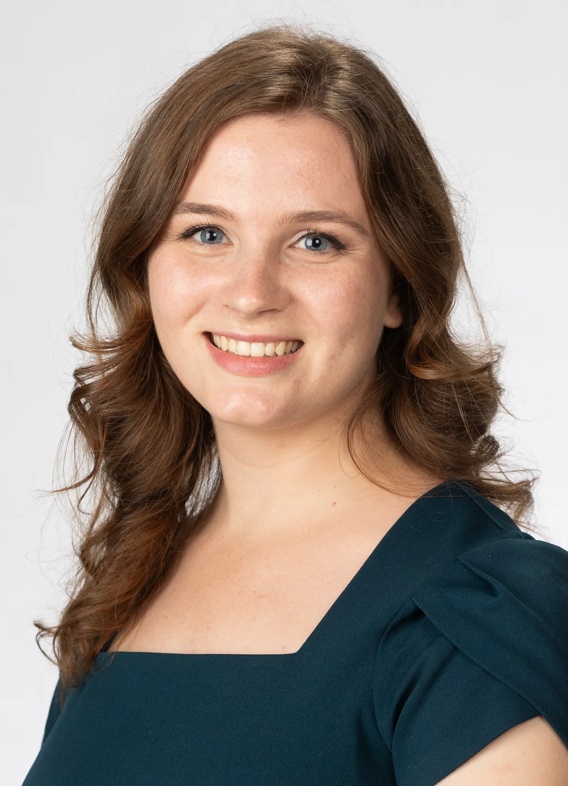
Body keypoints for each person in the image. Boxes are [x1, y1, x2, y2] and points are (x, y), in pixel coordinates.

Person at [23, 24, 568, 786]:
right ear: (146, 265)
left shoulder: (483, 610)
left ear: (400, 286)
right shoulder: (132, 582)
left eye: (316, 242)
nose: (251, 293)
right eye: (206, 232)